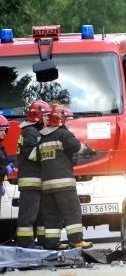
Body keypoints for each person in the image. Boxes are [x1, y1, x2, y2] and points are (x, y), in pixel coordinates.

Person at [37, 105, 94, 250]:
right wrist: (89, 149)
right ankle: (76, 240)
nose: (70, 123)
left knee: (52, 215)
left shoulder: (43, 137)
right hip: (64, 183)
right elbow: (76, 147)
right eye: (68, 119)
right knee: (72, 212)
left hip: (47, 185)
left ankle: (52, 244)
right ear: (60, 120)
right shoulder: (64, 134)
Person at [15, 100, 51, 247]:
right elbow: (33, 154)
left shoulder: (36, 131)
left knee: (41, 216)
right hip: (30, 182)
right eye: (46, 115)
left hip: (37, 181)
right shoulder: (30, 132)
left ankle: (42, 243)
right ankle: (25, 245)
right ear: (37, 116)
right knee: (28, 216)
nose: (48, 118)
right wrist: (51, 154)